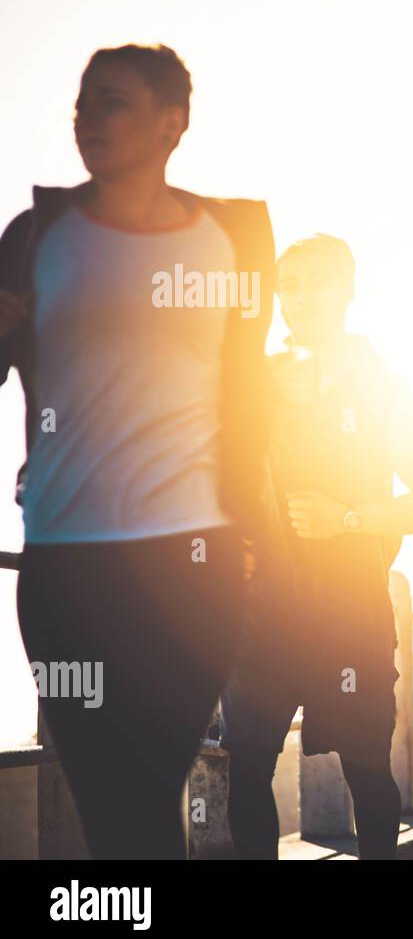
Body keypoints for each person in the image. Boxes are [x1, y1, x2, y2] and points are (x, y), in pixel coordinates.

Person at [0, 44, 274, 858]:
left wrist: (259, 532)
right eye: (82, 102)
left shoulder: (233, 241)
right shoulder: (34, 237)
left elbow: (246, 396)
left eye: (111, 102)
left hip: (194, 568)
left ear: (171, 124)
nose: (87, 118)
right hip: (65, 570)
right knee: (111, 799)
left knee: (148, 785)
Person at [219, 234, 413, 859]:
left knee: (367, 772)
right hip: (260, 614)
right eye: (287, 285)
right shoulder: (254, 386)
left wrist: (347, 517)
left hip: (352, 612)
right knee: (245, 769)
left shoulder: (383, 387)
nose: (300, 297)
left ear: (347, 289)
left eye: (316, 281)